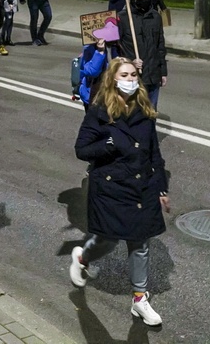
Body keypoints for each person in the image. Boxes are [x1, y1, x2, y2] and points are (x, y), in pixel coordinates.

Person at [70, 57, 170, 327]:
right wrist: (108, 143)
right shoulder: (99, 110)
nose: (130, 80)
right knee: (108, 240)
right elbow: (82, 150)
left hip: (140, 187)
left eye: (133, 75)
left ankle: (140, 299)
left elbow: (154, 154)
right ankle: (82, 257)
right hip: (111, 187)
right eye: (124, 75)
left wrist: (161, 186)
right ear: (113, 80)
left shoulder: (145, 110)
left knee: (140, 243)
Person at [119, 0, 167, 108]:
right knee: (135, 113)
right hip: (134, 77)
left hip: (153, 76)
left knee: (151, 112)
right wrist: (130, 63)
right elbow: (116, 49)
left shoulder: (155, 17)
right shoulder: (123, 18)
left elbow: (160, 46)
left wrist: (163, 72)